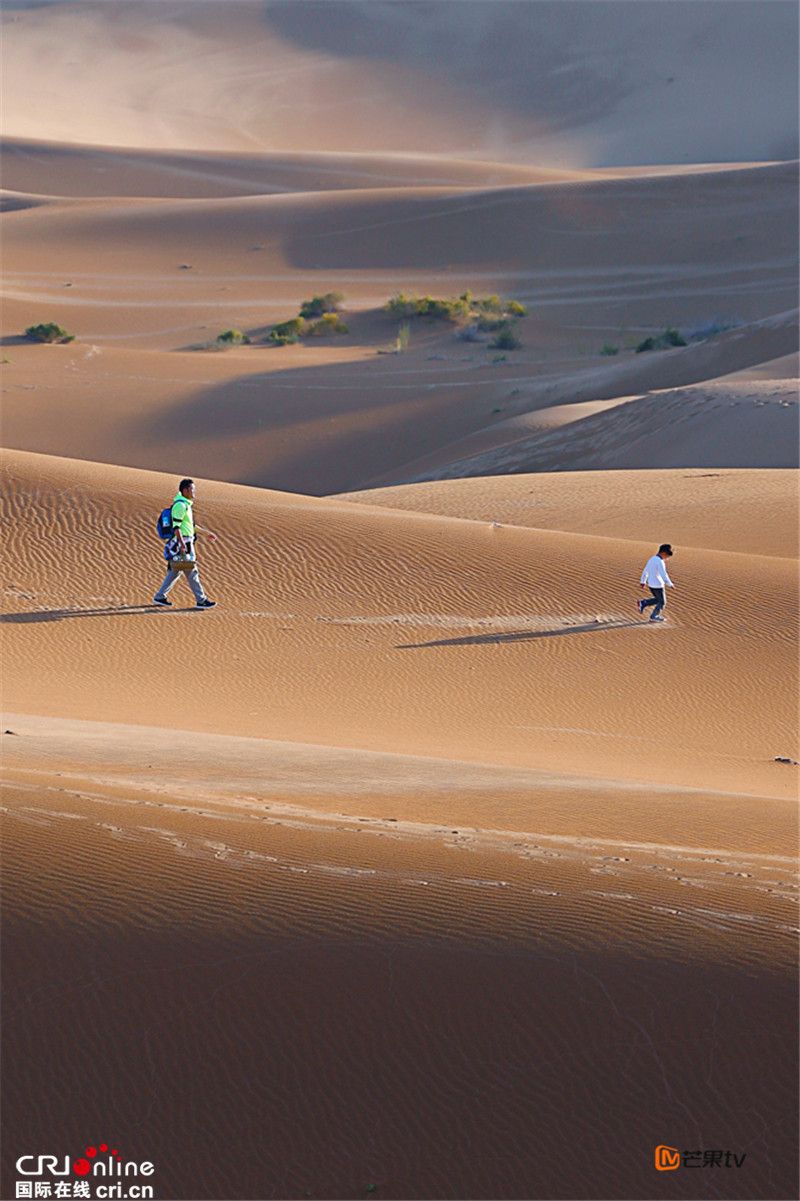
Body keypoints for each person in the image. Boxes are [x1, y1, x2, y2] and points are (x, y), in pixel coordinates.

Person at [153, 479, 218, 609]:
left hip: (186, 542)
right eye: (192, 489)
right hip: (184, 544)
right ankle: (201, 600)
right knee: (192, 571)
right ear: (185, 490)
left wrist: (207, 533)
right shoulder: (180, 506)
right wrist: (183, 545)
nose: (194, 492)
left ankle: (160, 597)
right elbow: (177, 527)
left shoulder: (186, 505)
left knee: (175, 571)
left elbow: (190, 526)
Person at [638, 543, 675, 622]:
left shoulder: (652, 559)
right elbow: (663, 574)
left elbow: (645, 571)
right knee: (662, 602)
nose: (667, 559)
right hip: (658, 585)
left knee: (658, 599)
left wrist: (643, 581)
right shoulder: (660, 561)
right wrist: (670, 584)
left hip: (651, 584)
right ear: (663, 553)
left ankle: (644, 602)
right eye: (667, 556)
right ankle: (654, 616)